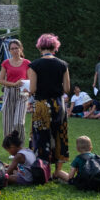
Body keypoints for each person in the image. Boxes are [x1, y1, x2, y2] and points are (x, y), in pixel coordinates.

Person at [27, 33, 70, 176]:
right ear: (54, 47)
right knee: (59, 135)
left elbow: (32, 89)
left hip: (42, 105)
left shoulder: (34, 65)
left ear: (40, 47)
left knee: (41, 137)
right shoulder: (63, 64)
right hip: (58, 104)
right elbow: (67, 89)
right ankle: (57, 171)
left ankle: (43, 170)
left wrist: (28, 91)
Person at [0, 38, 31, 138]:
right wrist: (13, 84)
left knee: (19, 123)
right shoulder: (5, 63)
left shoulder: (27, 63)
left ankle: (19, 145)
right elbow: (1, 80)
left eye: (16, 48)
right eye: (12, 49)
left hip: (22, 94)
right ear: (9, 51)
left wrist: (29, 90)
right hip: (9, 93)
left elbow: (30, 79)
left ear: (21, 49)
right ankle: (11, 149)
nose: (14, 50)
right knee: (8, 125)